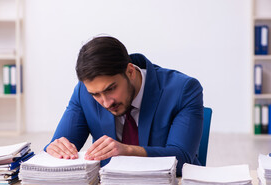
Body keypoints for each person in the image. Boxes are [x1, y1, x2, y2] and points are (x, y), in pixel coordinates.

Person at [45, 36, 204, 177]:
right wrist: (57, 149)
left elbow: (183, 159)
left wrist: (127, 151)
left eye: (110, 89)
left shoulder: (183, 90)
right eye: (95, 94)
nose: (106, 103)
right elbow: (59, 148)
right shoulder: (83, 92)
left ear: (130, 71)